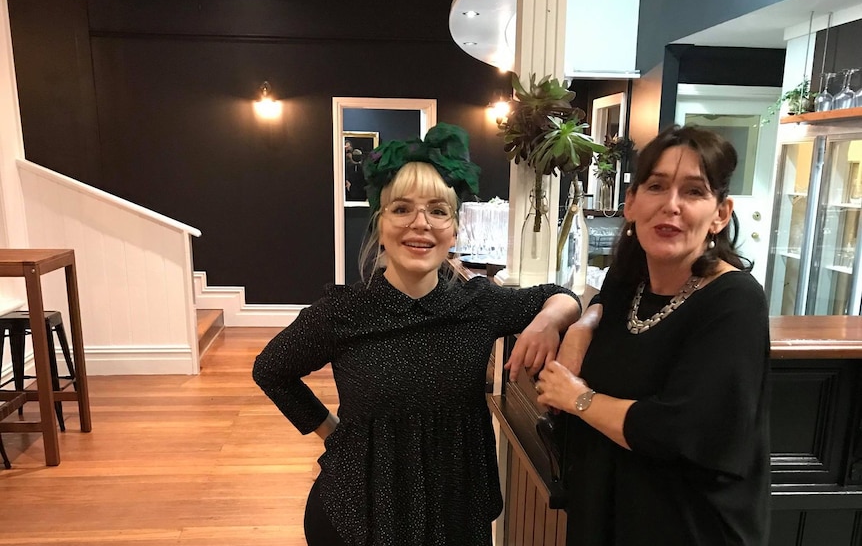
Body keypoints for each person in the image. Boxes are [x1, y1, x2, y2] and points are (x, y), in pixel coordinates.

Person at [253, 122, 582, 546]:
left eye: (438, 210)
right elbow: (271, 371)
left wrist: (546, 321)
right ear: (380, 223)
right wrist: (335, 434)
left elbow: (564, 296)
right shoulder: (344, 311)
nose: (420, 223)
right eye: (402, 208)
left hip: (455, 511)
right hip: (362, 512)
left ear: (455, 228)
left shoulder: (477, 304)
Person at [534, 125, 771, 546]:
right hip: (609, 514)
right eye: (657, 186)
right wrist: (581, 328)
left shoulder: (735, 302)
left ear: (721, 213)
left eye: (694, 191)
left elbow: (676, 430)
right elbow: (601, 307)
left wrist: (577, 398)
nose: (671, 205)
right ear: (631, 203)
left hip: (689, 526)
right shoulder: (628, 280)